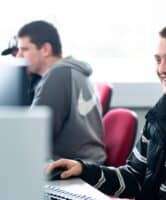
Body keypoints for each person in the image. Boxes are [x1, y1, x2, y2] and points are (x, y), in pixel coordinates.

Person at [48, 21, 166, 200]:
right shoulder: (158, 116)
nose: (162, 69)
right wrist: (83, 169)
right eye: (158, 60)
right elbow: (134, 178)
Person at [17, 20, 106, 164]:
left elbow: (33, 135)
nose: (18, 55)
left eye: (25, 49)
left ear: (45, 49)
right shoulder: (72, 71)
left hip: (74, 167)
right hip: (85, 163)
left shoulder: (59, 74)